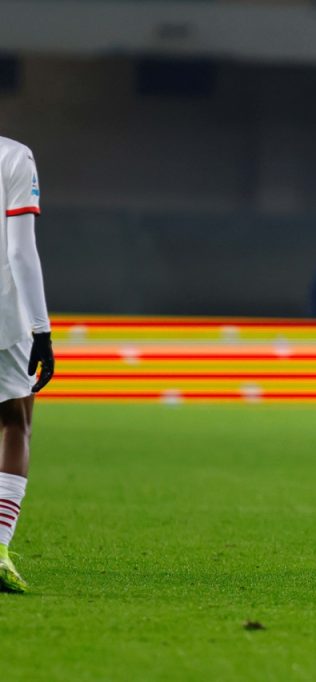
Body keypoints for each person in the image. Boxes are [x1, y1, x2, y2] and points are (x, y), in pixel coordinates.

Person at [0, 135, 54, 593]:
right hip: (4, 318)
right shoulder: (15, 157)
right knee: (15, 422)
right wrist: (42, 330)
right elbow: (19, 251)